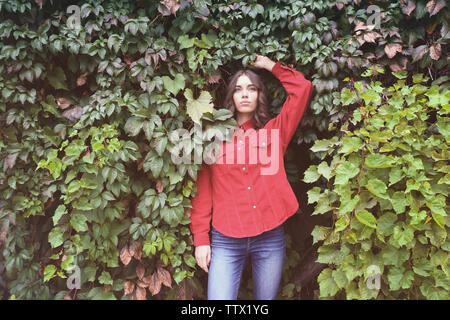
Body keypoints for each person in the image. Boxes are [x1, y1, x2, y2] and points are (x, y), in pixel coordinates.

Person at [190, 54, 312, 300]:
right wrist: (201, 238)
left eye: (251, 88)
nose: (245, 94)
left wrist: (269, 66)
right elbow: (203, 191)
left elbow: (302, 88)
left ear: (259, 96)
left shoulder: (274, 133)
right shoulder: (213, 139)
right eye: (238, 89)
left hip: (269, 237)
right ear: (231, 97)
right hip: (226, 239)